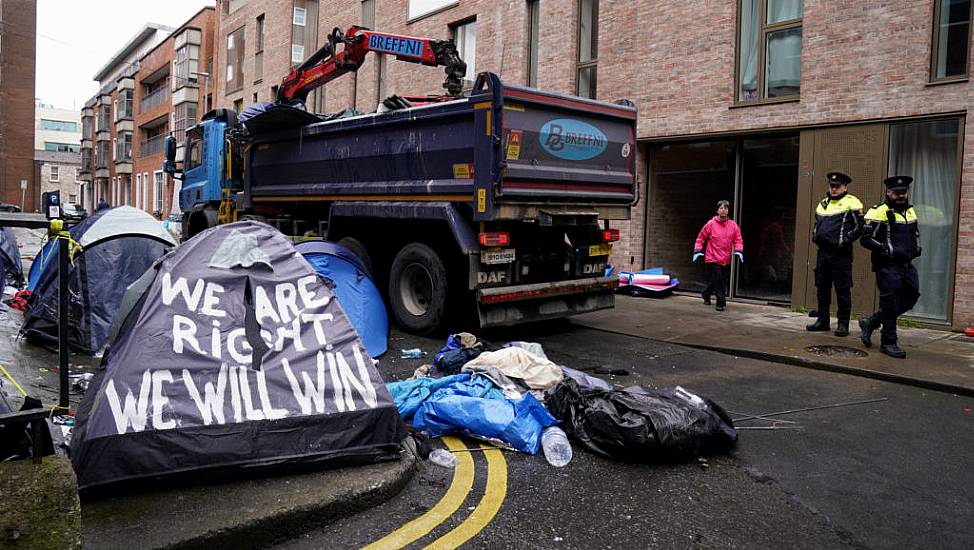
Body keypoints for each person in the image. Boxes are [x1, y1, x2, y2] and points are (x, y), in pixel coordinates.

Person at [859, 176, 921, 358]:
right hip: (887, 266)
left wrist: (916, 248)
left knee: (911, 297)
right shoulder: (878, 211)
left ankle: (872, 321)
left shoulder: (910, 211)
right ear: (888, 192)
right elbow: (866, 239)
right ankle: (888, 342)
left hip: (907, 265)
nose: (901, 195)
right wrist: (887, 250)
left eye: (903, 192)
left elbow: (915, 233)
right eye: (897, 192)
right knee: (890, 301)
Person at [806, 171, 864, 337]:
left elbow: (859, 227)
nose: (834, 189)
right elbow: (817, 224)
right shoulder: (823, 203)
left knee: (842, 289)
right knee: (822, 288)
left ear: (845, 187)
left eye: (837, 186)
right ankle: (823, 321)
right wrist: (814, 235)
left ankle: (843, 324)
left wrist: (844, 241)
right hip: (823, 253)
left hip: (841, 255)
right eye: (832, 186)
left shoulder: (852, 202)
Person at [693, 200, 743, 311]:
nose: (723, 210)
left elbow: (738, 239)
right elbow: (701, 238)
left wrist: (739, 250)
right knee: (718, 279)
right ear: (717, 210)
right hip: (712, 257)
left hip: (725, 258)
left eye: (725, 208)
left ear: (728, 211)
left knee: (718, 280)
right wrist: (697, 250)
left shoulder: (733, 226)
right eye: (721, 208)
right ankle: (721, 302)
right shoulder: (711, 224)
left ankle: (706, 294)